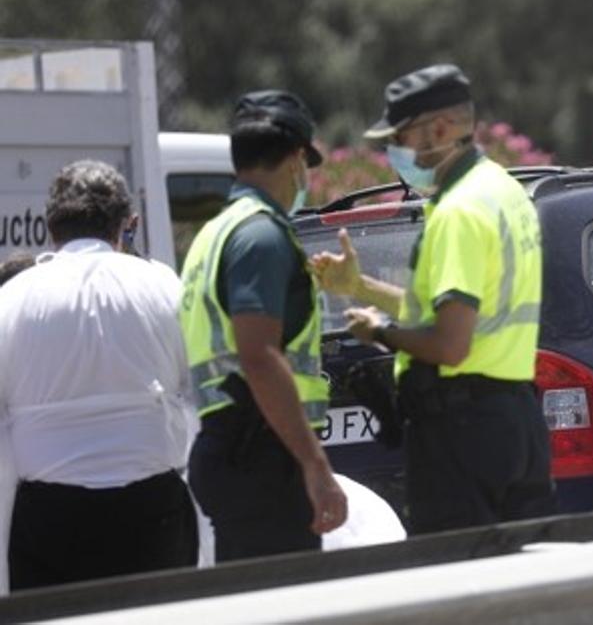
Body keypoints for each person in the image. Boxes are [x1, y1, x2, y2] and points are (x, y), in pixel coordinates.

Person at [311, 64, 555, 534]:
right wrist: (360, 286)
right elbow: (449, 313)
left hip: (461, 435)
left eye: (399, 137)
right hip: (516, 422)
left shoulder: (458, 212)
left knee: (460, 591)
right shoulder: (504, 192)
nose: (392, 151)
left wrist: (378, 331)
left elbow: (449, 344)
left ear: (439, 129)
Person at [0, 160, 198, 592]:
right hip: (153, 514)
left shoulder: (11, 300)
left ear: (51, 228)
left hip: (49, 522)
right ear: (126, 226)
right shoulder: (162, 286)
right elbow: (197, 392)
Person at [179, 90, 347, 561]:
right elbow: (258, 355)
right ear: (296, 159)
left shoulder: (215, 232)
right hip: (262, 456)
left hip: (234, 446)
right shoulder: (261, 236)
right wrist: (314, 465)